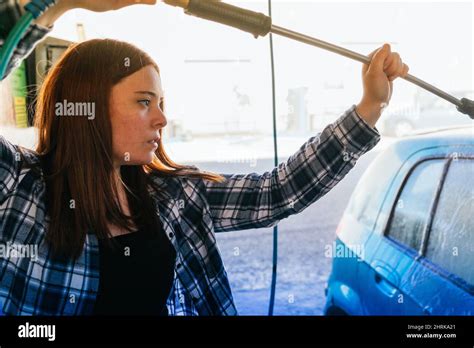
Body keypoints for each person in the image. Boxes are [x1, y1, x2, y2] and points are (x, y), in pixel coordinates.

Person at [0, 0, 409, 315]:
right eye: (144, 102)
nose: (162, 118)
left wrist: (370, 106)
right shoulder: (18, 187)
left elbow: (276, 192)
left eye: (161, 102)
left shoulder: (175, 196)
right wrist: (53, 6)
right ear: (85, 106)